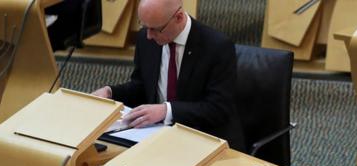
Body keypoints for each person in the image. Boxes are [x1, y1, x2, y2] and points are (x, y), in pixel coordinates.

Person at [91, 0, 244, 149]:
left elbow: (218, 108)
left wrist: (167, 111)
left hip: (203, 137)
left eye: (155, 29)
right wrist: (111, 92)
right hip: (156, 134)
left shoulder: (217, 47)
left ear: (179, 17)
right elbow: (141, 86)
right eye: (144, 26)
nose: (149, 35)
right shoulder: (146, 37)